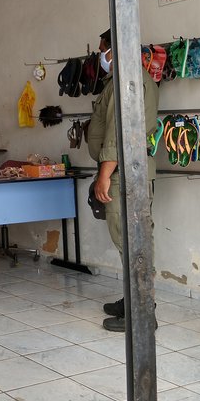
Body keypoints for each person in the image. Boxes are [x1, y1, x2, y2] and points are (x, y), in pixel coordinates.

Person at [86, 28, 159, 332]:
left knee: (131, 243)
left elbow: (121, 131)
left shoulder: (126, 80)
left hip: (123, 174)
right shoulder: (128, 78)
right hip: (128, 171)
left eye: (102, 50)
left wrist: (105, 174)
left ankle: (141, 314)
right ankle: (134, 301)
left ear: (112, 50)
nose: (100, 57)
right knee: (130, 241)